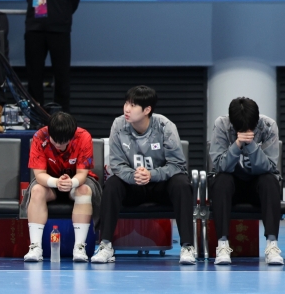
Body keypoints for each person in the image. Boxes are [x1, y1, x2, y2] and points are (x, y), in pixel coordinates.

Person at [90, 85, 196, 265]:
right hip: (132, 186)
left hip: (160, 186)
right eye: (126, 103)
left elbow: (178, 165)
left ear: (147, 110)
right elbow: (116, 164)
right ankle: (106, 244)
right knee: (112, 184)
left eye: (132, 105)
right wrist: (134, 176)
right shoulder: (118, 125)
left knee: (182, 183)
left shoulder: (165, 126)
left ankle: (187, 247)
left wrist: (152, 174)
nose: (126, 109)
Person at [208, 97, 283, 265]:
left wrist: (251, 145)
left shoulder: (269, 126)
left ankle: (272, 245)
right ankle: (222, 244)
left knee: (270, 180)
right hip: (232, 187)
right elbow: (220, 165)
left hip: (257, 187)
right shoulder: (221, 124)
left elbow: (269, 166)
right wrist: (237, 144)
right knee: (221, 180)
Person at [23, 112, 101, 262]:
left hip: (77, 183)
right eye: (55, 141)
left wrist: (71, 183)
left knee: (84, 191)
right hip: (49, 183)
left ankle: (79, 247)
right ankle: (35, 247)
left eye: (64, 142)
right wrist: (55, 182)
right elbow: (39, 174)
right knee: (36, 190)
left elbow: (82, 174)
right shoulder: (40, 136)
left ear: (72, 135)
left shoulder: (84, 137)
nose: (59, 145)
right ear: (49, 132)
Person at [24, 0, 81, 113]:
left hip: (59, 27)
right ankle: (36, 113)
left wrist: (61, 11)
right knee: (34, 74)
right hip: (35, 26)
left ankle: (62, 116)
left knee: (62, 74)